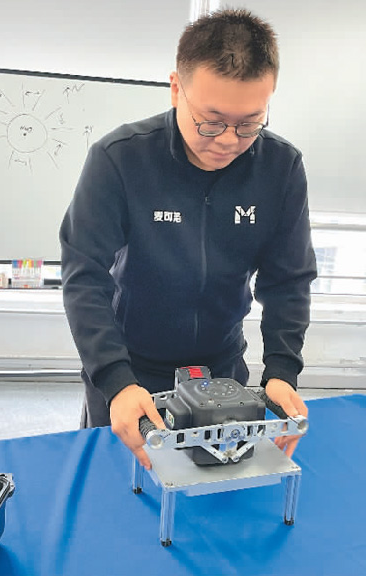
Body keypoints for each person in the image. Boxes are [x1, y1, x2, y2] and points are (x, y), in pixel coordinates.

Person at [60, 9, 317, 470]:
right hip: (130, 368)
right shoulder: (120, 159)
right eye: (211, 121)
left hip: (222, 370)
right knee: (115, 485)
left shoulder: (281, 168)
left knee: (220, 489)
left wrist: (282, 371)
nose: (229, 140)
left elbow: (288, 281)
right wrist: (115, 380)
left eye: (250, 123)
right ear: (177, 87)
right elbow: (85, 276)